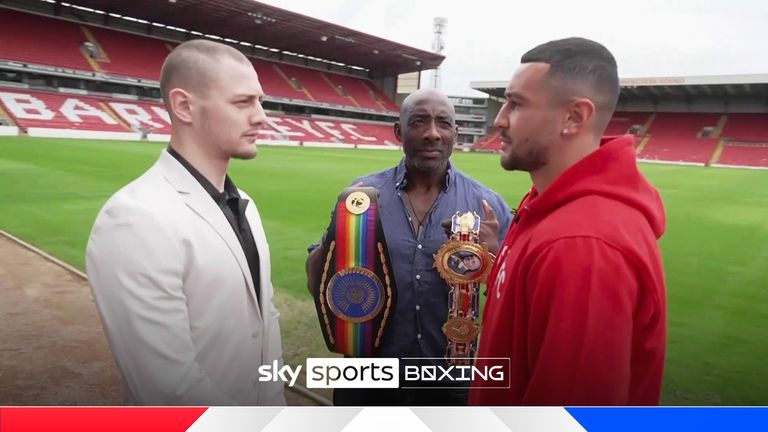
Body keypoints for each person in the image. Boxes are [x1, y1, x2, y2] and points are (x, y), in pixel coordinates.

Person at [86, 40, 285, 405]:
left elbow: (266, 326)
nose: (262, 117)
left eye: (260, 101)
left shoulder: (246, 206)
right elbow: (169, 392)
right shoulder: (133, 219)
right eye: (243, 102)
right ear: (183, 106)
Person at [469, 37, 667, 406]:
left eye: (516, 103)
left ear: (574, 117)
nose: (499, 119)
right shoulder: (550, 207)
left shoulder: (582, 245)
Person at [306, 88, 513, 405]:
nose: (432, 133)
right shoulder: (361, 197)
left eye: (443, 123)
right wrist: (338, 233)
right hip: (368, 377)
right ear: (399, 132)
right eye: (419, 122)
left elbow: (514, 298)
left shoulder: (487, 205)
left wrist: (494, 257)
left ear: (455, 133)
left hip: (451, 379)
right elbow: (316, 279)